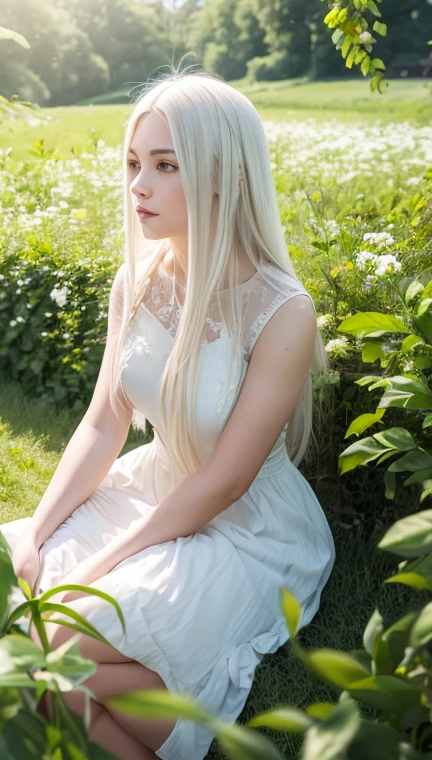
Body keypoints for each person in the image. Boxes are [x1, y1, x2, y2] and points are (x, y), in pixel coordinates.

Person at [0, 67, 336, 760]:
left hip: (243, 531)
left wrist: (101, 564)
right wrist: (39, 530)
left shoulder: (283, 311)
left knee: (60, 628)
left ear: (223, 174)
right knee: (17, 585)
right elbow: (103, 423)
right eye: (132, 163)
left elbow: (225, 483)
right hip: (152, 487)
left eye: (164, 165)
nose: (138, 186)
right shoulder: (139, 277)